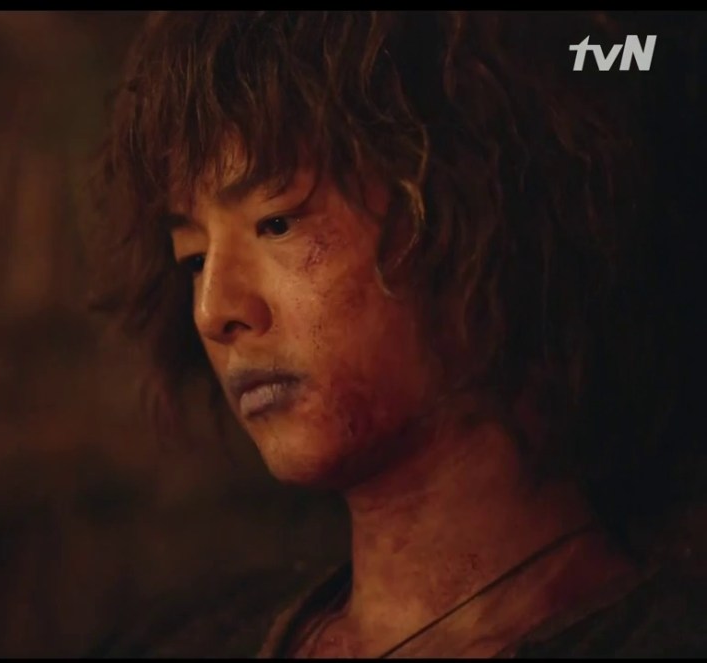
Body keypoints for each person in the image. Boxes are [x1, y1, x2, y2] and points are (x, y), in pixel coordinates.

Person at [85, 10, 707, 658]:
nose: (214, 310)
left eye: (278, 223)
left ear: (478, 209)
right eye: (193, 258)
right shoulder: (170, 639)